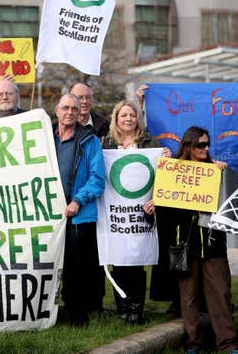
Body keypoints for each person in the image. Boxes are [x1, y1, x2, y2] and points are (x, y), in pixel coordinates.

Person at [160, 126, 238, 354]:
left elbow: (228, 206)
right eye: (201, 145)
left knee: (221, 294)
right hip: (186, 244)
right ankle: (193, 342)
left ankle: (227, 343)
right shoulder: (173, 171)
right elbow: (166, 210)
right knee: (189, 297)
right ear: (188, 146)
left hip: (214, 244)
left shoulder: (216, 170)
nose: (206, 149)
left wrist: (221, 174)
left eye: (207, 145)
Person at [101, 100, 171, 324]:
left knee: (137, 259)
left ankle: (136, 308)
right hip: (115, 212)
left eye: (132, 115)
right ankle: (123, 308)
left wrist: (166, 159)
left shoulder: (150, 142)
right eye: (124, 115)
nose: (128, 119)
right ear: (116, 118)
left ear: (137, 118)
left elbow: (162, 175)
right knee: (119, 259)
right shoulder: (106, 143)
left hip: (142, 210)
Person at [53, 94, 105, 326]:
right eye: (65, 108)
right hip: (50, 213)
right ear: (56, 111)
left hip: (78, 213)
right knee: (50, 264)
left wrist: (77, 201)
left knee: (76, 268)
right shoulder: (44, 137)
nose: (70, 112)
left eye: (74, 108)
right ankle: (50, 313)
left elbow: (97, 179)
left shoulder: (89, 140)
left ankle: (77, 316)